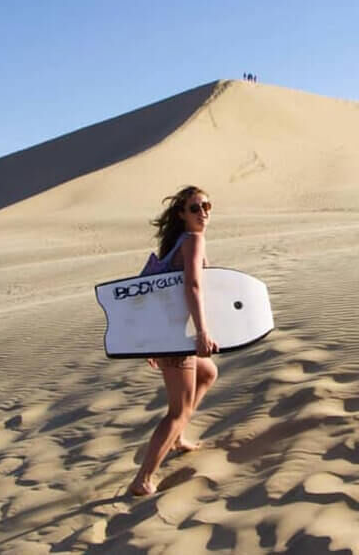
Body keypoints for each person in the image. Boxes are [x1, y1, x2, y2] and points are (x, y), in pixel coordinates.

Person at [129, 186, 219, 496]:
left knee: (208, 373)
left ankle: (177, 438)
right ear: (182, 214)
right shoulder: (192, 240)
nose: (203, 213)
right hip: (175, 338)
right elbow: (192, 287)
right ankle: (143, 479)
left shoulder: (178, 242)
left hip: (168, 335)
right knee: (177, 411)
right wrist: (203, 332)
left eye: (207, 206)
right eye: (195, 208)